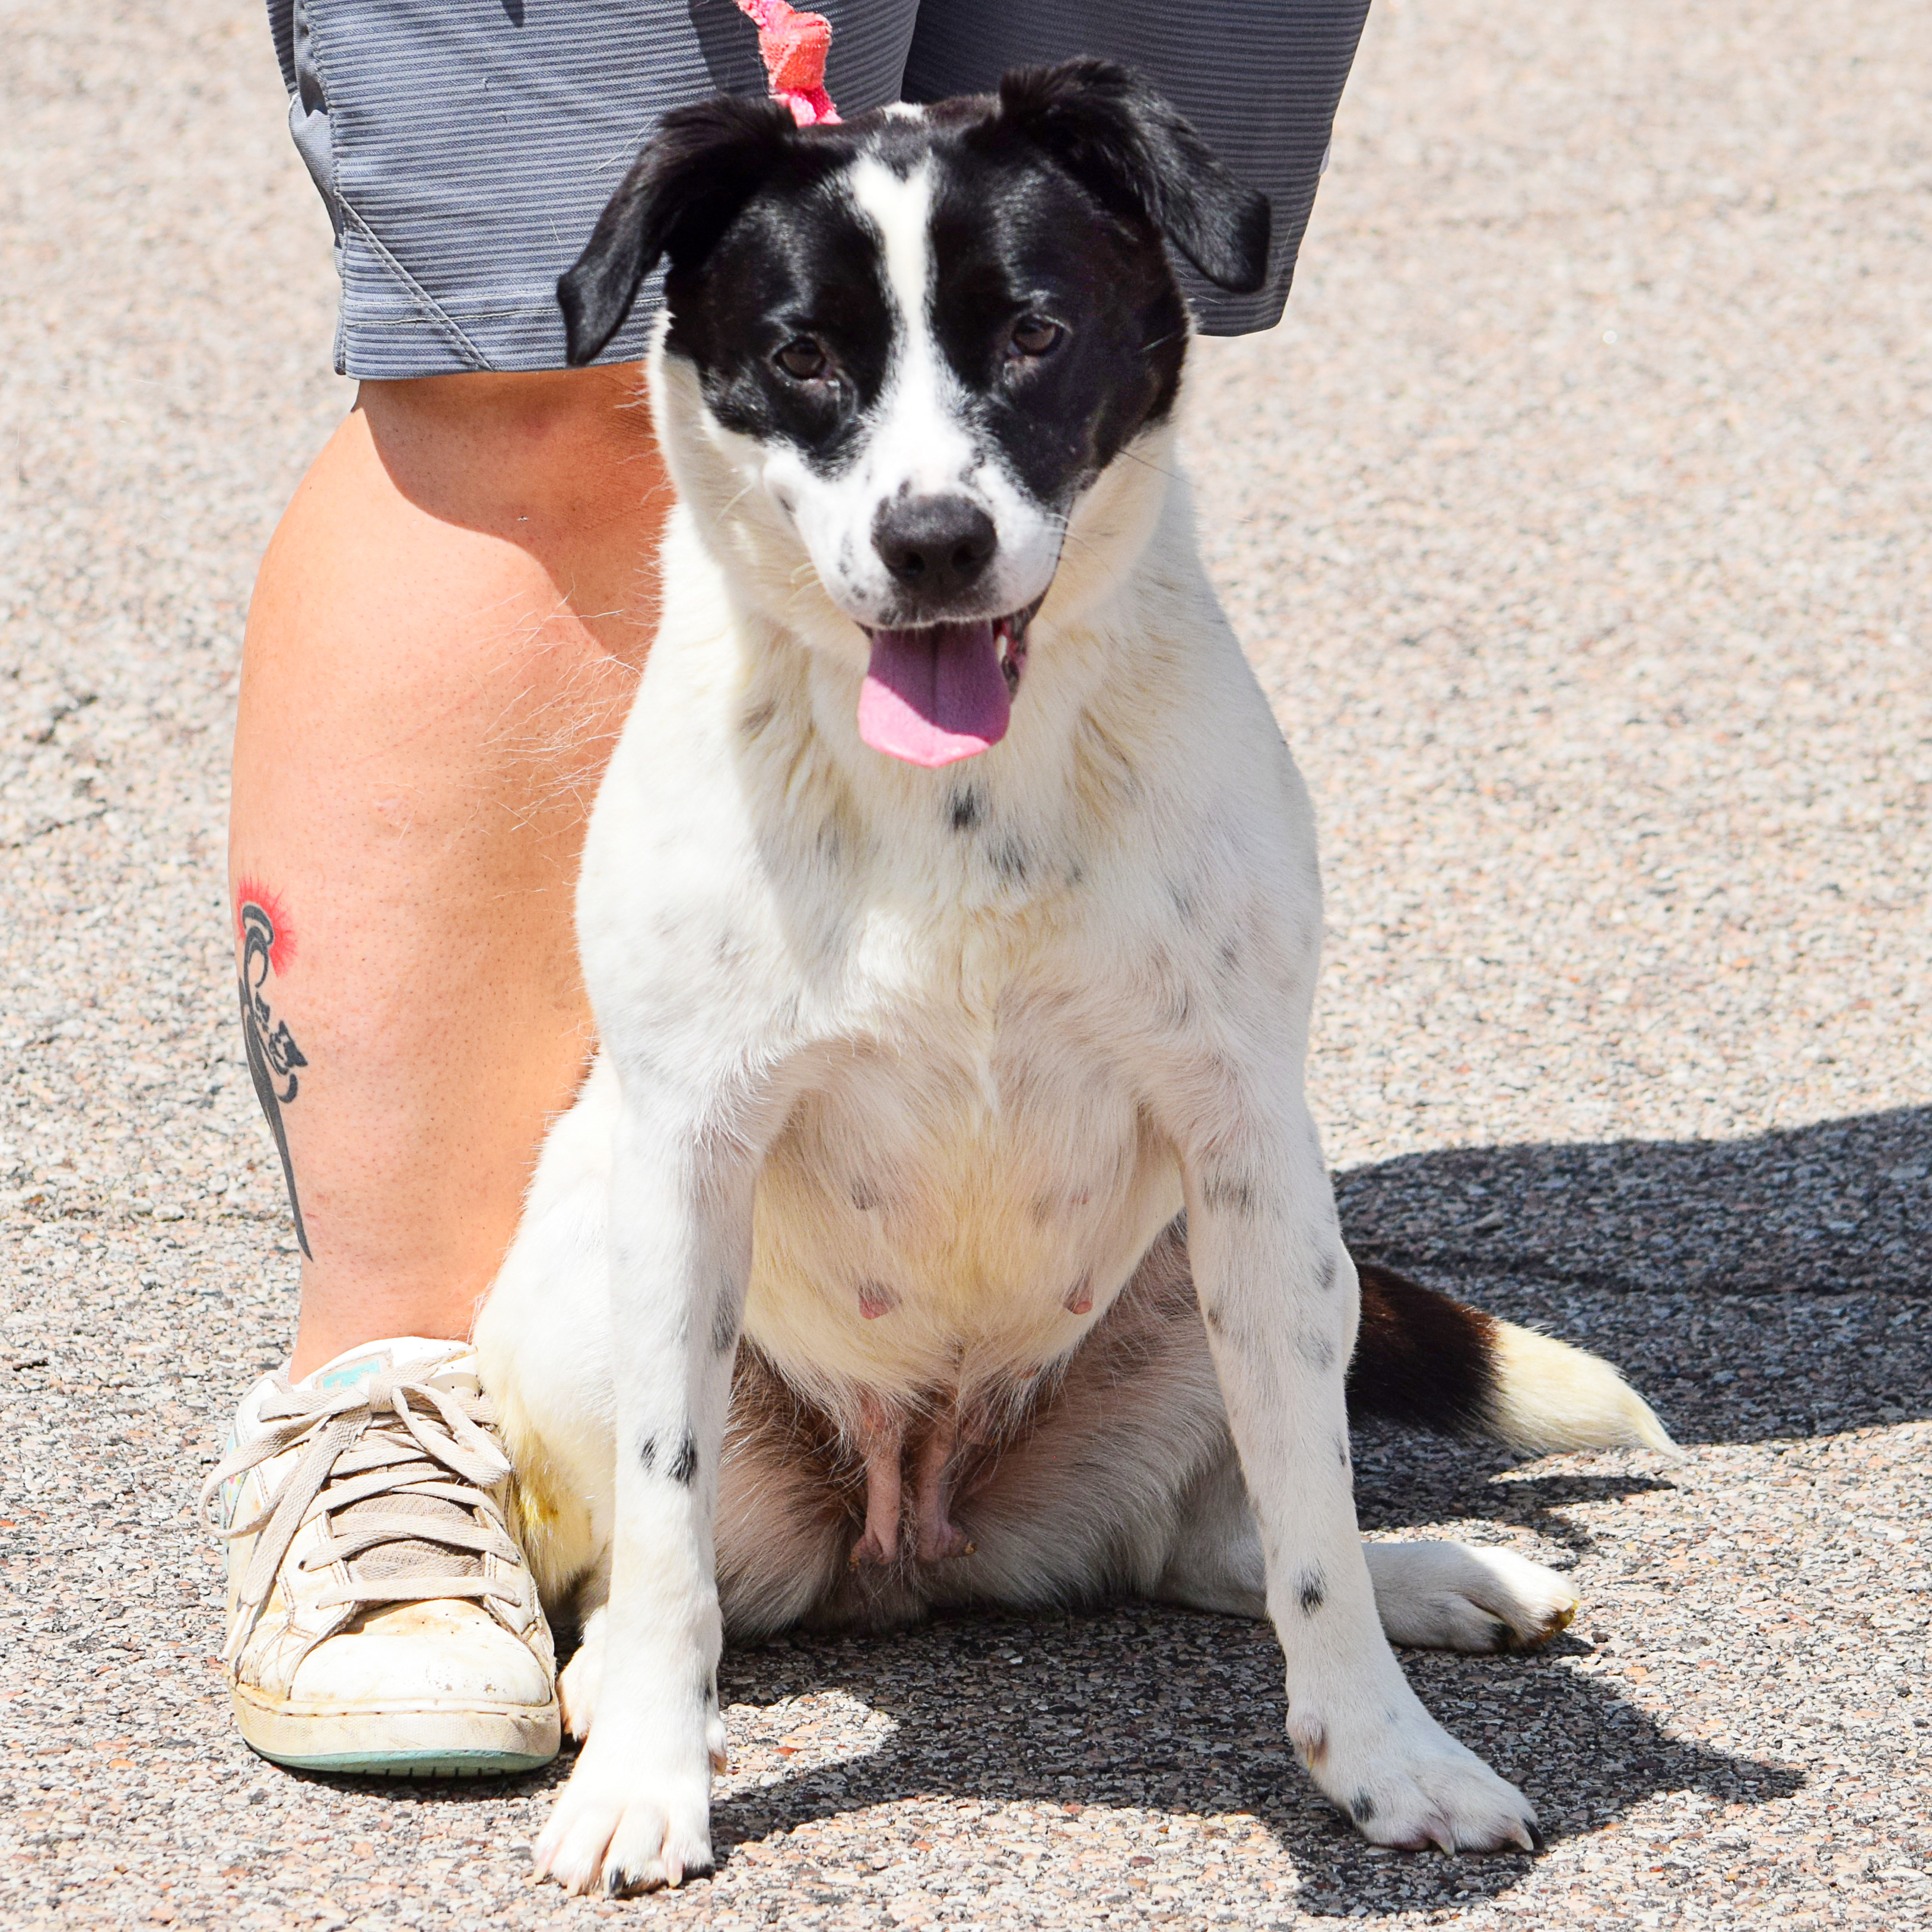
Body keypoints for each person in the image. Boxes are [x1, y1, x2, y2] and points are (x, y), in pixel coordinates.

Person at [207, 0, 1371, 1779]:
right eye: (824, 373)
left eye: (1036, 340)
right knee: (519, 379)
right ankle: (393, 1405)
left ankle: (1231, 1525)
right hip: (754, 1367)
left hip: (1048, 1330)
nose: (932, 505)